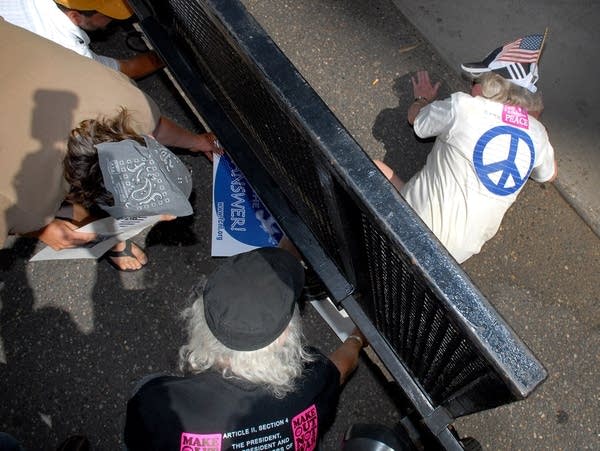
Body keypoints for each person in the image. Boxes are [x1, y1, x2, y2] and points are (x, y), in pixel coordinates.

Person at [0, 18, 221, 270]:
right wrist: (41, 230)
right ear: (85, 195)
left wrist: (197, 141)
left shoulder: (127, 102)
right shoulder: (24, 206)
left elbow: (152, 123)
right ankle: (108, 240)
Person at [124, 247, 368, 450]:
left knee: (144, 385)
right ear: (286, 336)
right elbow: (340, 368)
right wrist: (357, 339)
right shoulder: (313, 382)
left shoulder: (159, 407)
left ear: (200, 319)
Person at [375, 34, 557, 263]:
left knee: (374, 168)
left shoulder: (464, 107)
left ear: (492, 87)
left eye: (476, 81)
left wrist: (422, 99)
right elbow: (549, 175)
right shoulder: (538, 134)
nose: (471, 86)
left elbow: (415, 120)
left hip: (412, 225)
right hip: (454, 257)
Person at [0, 0, 163, 79]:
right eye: (108, 16)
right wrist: (171, 53)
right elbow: (128, 69)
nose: (113, 20)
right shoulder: (71, 51)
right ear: (76, 16)